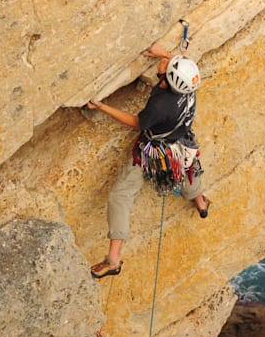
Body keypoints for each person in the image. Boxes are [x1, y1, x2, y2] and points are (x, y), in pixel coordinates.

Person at [86, 42, 211, 279]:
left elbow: (137, 124)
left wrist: (102, 107)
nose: (164, 61)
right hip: (181, 143)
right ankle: (201, 203)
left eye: (166, 64)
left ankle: (113, 260)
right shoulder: (189, 86)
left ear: (167, 80)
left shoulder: (161, 105)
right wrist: (163, 52)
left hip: (157, 151)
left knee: (120, 196)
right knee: (185, 168)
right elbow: (180, 67)